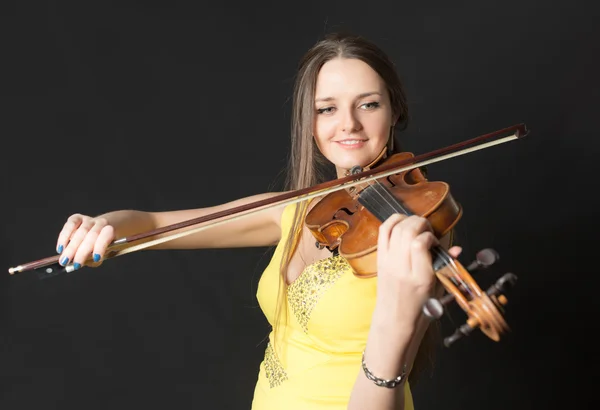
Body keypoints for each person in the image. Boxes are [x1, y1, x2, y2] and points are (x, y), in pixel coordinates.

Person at [53, 32, 460, 410]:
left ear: (395, 111)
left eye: (368, 104)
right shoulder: (297, 210)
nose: (348, 124)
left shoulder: (411, 229)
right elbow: (154, 223)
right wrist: (103, 226)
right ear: (310, 121)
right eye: (327, 109)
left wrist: (400, 312)